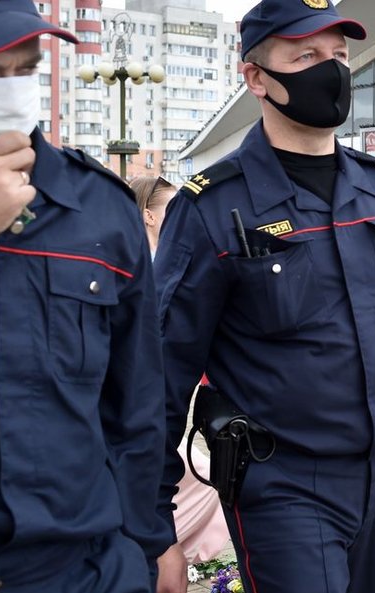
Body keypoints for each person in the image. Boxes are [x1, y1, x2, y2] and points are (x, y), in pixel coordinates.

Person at [152, 2, 375, 593]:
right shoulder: (212, 208)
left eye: (340, 56)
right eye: (306, 56)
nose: (331, 71)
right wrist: (154, 525)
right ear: (256, 78)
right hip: (282, 483)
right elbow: (159, 377)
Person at [0, 3, 170, 593]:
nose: (5, 91)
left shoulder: (100, 207)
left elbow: (136, 409)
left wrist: (148, 544)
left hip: (86, 570)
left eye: (23, 68)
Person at [131, 176, 230, 567]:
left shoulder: (183, 256)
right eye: (171, 210)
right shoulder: (140, 263)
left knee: (201, 478)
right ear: (149, 217)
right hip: (149, 398)